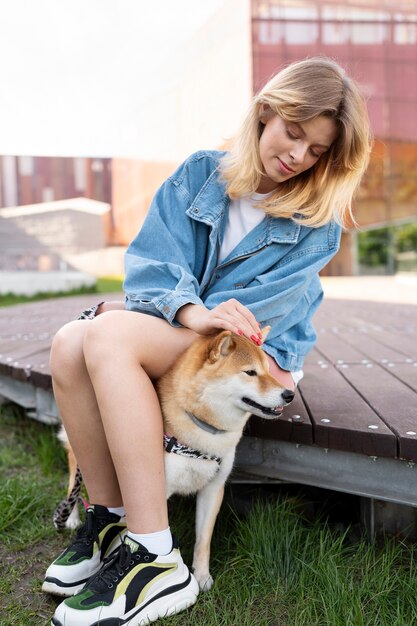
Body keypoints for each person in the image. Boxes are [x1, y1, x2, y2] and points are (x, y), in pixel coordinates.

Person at [43, 57, 371, 626]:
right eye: (294, 133)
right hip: (189, 328)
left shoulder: (319, 225)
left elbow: (245, 324)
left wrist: (172, 310)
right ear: (266, 111)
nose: (298, 155)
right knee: (70, 341)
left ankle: (154, 555)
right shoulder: (200, 173)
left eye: (317, 150)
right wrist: (189, 309)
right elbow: (150, 268)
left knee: (110, 333)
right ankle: (109, 517)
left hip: (255, 356)